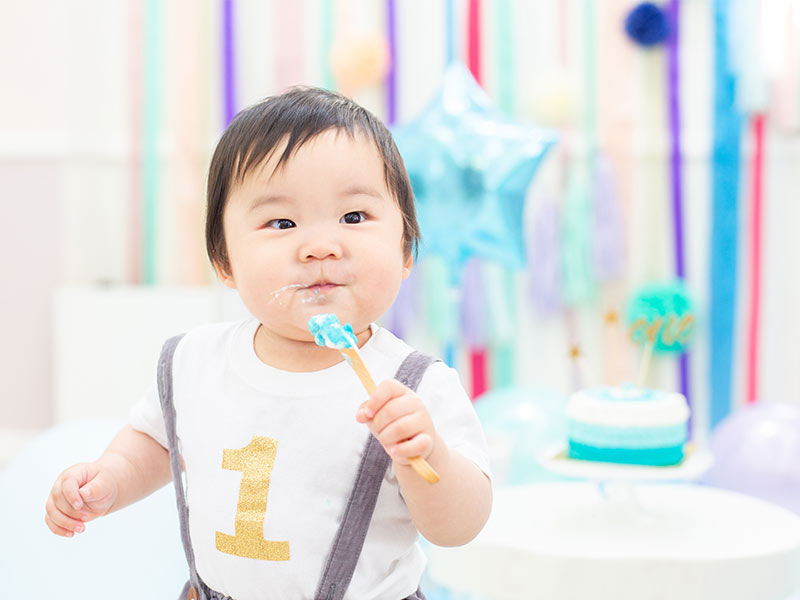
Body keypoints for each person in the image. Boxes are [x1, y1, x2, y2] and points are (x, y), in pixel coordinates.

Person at [44, 87, 492, 600]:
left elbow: (460, 526)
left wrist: (425, 455)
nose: (321, 246)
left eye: (353, 217)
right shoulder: (195, 361)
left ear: (406, 247)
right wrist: (111, 478)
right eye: (281, 223)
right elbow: (158, 439)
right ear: (225, 262)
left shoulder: (414, 388)